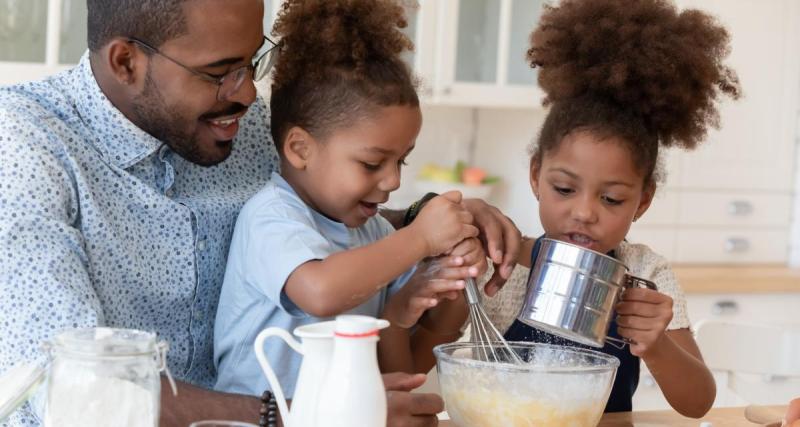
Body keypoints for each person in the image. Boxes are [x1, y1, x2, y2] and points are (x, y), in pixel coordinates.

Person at [0, 0, 522, 425]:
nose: (248, 92)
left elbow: (327, 219)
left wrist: (442, 220)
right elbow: (78, 393)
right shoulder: (24, 148)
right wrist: (306, 414)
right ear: (126, 63)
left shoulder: (237, 125)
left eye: (253, 61)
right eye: (219, 71)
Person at [478, 0, 740, 418]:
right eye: (564, 188)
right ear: (535, 177)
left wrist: (657, 346)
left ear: (644, 200)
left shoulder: (648, 276)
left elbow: (699, 402)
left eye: (611, 199)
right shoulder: (502, 262)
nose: (584, 212)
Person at [214, 0, 481, 398]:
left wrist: (453, 281)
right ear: (301, 149)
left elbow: (401, 375)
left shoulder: (372, 234)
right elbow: (321, 292)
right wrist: (420, 238)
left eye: (401, 161)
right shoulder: (271, 217)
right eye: (372, 163)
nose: (392, 181)